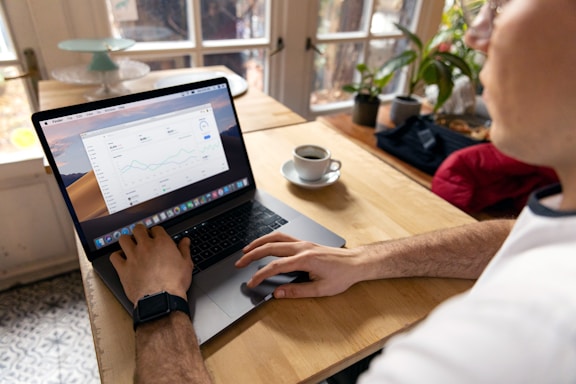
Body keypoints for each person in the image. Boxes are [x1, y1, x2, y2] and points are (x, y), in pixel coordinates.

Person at [110, 0, 576, 382]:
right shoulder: (562, 216)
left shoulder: (505, 346)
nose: (475, 34)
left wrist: (159, 299)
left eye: (501, 5)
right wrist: (364, 259)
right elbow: (514, 239)